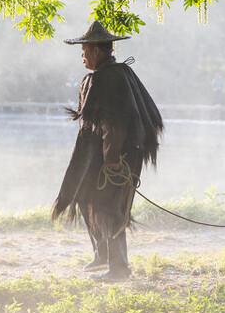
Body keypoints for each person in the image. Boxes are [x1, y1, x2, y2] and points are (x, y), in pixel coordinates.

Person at [52, 21, 163, 280]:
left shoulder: (111, 78)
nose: (82, 55)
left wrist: (112, 160)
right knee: (83, 194)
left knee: (108, 206)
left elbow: (116, 122)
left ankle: (119, 268)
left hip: (117, 156)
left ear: (98, 51)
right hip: (99, 154)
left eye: (85, 50)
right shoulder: (104, 76)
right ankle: (102, 254)